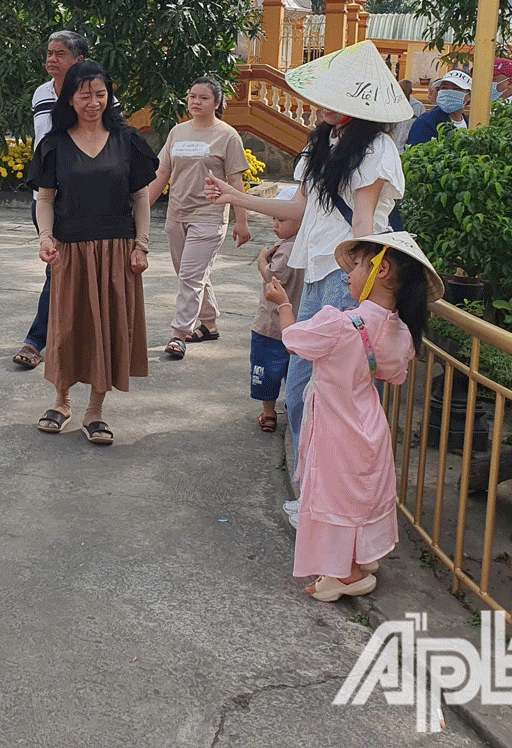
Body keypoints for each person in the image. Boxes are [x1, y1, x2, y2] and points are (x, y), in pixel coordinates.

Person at [206, 40, 412, 522]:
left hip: (349, 279)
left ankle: (344, 501)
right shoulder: (324, 143)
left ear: (357, 103)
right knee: (301, 390)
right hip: (317, 275)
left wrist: (366, 294)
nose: (320, 102)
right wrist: (237, 197)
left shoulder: (377, 149)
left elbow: (363, 221)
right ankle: (314, 490)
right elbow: (299, 211)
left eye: (332, 94)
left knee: (342, 398)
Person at [265, 232, 440, 600]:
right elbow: (394, 373)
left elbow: (294, 340)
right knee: (361, 496)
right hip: (369, 428)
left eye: (360, 264)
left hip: (336, 430)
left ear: (383, 270)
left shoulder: (338, 323)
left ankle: (346, 574)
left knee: (334, 497)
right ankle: (362, 556)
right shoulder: (400, 333)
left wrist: (283, 305)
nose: (350, 272)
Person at [28, 60, 158, 445]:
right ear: (69, 97)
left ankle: (95, 411)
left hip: (116, 248)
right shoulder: (54, 144)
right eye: (84, 94)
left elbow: (140, 197)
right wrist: (46, 237)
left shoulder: (127, 140)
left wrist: (142, 243)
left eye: (100, 94)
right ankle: (62, 401)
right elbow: (46, 198)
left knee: (107, 329)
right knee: (67, 327)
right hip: (71, 247)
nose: (93, 102)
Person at [146, 75, 250, 360]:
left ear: (217, 103)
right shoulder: (177, 132)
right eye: (192, 96)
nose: (195, 102)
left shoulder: (228, 135)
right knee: (189, 274)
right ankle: (210, 324)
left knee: (190, 276)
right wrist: (141, 211)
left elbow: (236, 180)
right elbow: (162, 173)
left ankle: (179, 334)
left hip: (210, 214)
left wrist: (242, 221)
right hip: (177, 213)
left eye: (203, 98)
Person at [12, 30, 89, 371]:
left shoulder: (96, 95)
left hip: (86, 200)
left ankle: (40, 340)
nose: (51, 58)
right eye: (49, 52)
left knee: (70, 271)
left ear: (79, 61)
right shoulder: (41, 94)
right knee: (58, 267)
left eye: (60, 53)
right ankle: (43, 339)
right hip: (44, 198)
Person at [251, 189, 303, 434]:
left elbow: (274, 278)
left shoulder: (286, 250)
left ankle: (269, 412)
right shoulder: (304, 246)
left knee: (268, 372)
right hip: (297, 323)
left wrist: (262, 261)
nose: (275, 224)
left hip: (272, 325)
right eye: (274, 219)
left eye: (281, 219)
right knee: (293, 374)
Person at [406, 68, 472, 147]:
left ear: (469, 96)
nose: (449, 92)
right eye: (444, 88)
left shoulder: (470, 123)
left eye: (456, 89)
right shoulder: (426, 122)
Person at [391, 78, 426, 151]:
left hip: (408, 148)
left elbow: (422, 127)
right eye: (398, 89)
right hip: (392, 146)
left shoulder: (418, 106)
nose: (400, 93)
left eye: (403, 90)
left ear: (410, 92)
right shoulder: (391, 104)